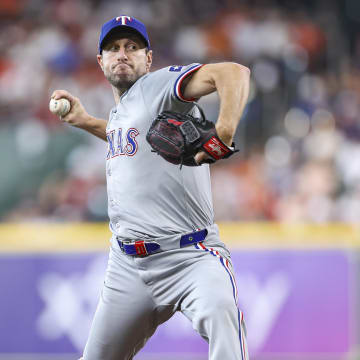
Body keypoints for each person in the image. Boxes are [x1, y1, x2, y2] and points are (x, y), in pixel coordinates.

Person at [52, 15, 250, 360]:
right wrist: (86, 122)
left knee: (223, 317)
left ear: (149, 58)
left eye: (132, 47)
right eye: (113, 48)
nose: (122, 54)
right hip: (128, 267)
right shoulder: (121, 111)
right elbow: (130, 138)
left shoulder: (158, 86)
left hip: (190, 256)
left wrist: (225, 132)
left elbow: (233, 73)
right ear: (101, 62)